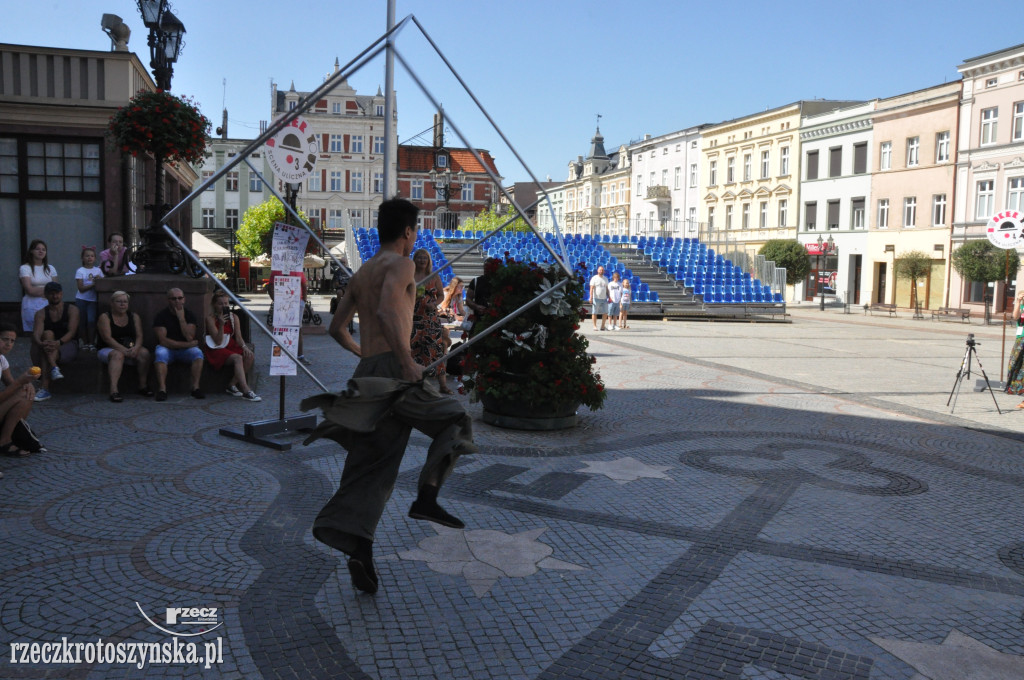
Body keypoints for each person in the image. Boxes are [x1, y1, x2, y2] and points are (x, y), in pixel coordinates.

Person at [313, 197, 476, 595]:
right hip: (394, 372)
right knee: (456, 419)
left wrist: (364, 356)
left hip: (368, 372)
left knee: (374, 468)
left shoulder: (362, 271)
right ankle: (427, 496)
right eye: (415, 230)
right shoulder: (401, 263)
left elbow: (336, 329)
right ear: (408, 232)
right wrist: (404, 363)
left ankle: (359, 550)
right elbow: (388, 312)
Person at [96, 290, 153, 403]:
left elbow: (139, 335)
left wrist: (136, 348)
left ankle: (143, 386)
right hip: (108, 348)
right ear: (112, 303)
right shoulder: (105, 317)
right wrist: (124, 350)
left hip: (130, 347)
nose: (122, 304)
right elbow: (107, 338)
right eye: (119, 302)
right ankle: (113, 390)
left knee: (144, 353)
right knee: (118, 355)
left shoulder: (134, 316)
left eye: (125, 302)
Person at [205, 289, 260, 402]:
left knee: (249, 355)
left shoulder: (233, 317)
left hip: (230, 344)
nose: (223, 306)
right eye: (220, 304)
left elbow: (239, 337)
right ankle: (246, 390)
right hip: (217, 348)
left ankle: (231, 385)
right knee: (238, 358)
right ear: (214, 305)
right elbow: (218, 341)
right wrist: (221, 325)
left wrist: (245, 347)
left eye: (226, 303)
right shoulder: (210, 319)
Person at [411, 248, 452, 394]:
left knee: (436, 349)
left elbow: (441, 295)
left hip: (430, 318)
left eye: (425, 258)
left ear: (428, 260)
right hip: (413, 317)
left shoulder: (434, 276)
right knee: (414, 349)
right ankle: (414, 383)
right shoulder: (409, 275)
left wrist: (434, 304)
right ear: (415, 259)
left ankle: (443, 385)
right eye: (419, 257)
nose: (422, 260)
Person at [152, 287, 205, 402]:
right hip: (168, 349)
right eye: (173, 299)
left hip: (184, 351)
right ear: (168, 300)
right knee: (160, 353)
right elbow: (163, 341)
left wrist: (181, 318)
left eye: (180, 298)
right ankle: (162, 389)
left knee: (197, 353)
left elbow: (189, 337)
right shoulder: (161, 316)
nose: (177, 301)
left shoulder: (190, 315)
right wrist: (187, 345)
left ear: (184, 299)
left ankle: (195, 387)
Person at [30, 282, 79, 402]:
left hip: (68, 343)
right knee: (47, 334)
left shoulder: (72, 309)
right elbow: (36, 333)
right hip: (49, 344)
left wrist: (59, 343)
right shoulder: (41, 313)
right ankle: (54, 368)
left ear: (61, 294)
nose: (55, 296)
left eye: (57, 294)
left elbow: (71, 332)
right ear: (46, 295)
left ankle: (44, 388)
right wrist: (41, 343)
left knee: (46, 350)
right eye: (52, 294)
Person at [0, 323, 38, 460]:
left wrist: (26, 383)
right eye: (5, 339)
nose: (9, 344)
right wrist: (20, 382)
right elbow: (15, 385)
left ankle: (4, 440)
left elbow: (11, 384)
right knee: (21, 391)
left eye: (12, 341)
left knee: (25, 393)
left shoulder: (2, 359)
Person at [19, 239, 57, 332]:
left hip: (49, 304)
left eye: (43, 249)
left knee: (49, 332)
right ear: (31, 251)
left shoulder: (50, 268)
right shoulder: (25, 268)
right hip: (32, 304)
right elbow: (29, 290)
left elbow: (56, 288)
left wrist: (43, 291)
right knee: (35, 334)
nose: (41, 251)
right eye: (37, 249)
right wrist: (48, 290)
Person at [74, 246, 104, 350]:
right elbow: (81, 288)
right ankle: (85, 343)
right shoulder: (80, 271)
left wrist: (99, 282)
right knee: (82, 321)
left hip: (93, 300)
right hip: (81, 299)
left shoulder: (98, 271)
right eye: (87, 256)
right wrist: (94, 284)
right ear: (82, 258)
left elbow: (102, 284)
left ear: (95, 258)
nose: (89, 258)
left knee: (91, 321)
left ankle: (92, 342)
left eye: (92, 256)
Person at [1006, 291, 1024, 408]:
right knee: (1017, 367)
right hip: (1020, 341)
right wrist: (1018, 301)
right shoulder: (1021, 306)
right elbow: (1015, 316)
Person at [589, 265, 610, 330]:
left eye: (602, 270)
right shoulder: (594, 278)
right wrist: (591, 297)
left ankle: (602, 326)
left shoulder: (606, 279)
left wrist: (609, 297)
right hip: (596, 298)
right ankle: (594, 326)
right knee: (594, 312)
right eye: (600, 270)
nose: (601, 271)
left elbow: (607, 289)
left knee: (605, 312)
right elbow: (591, 288)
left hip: (604, 298)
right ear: (598, 270)